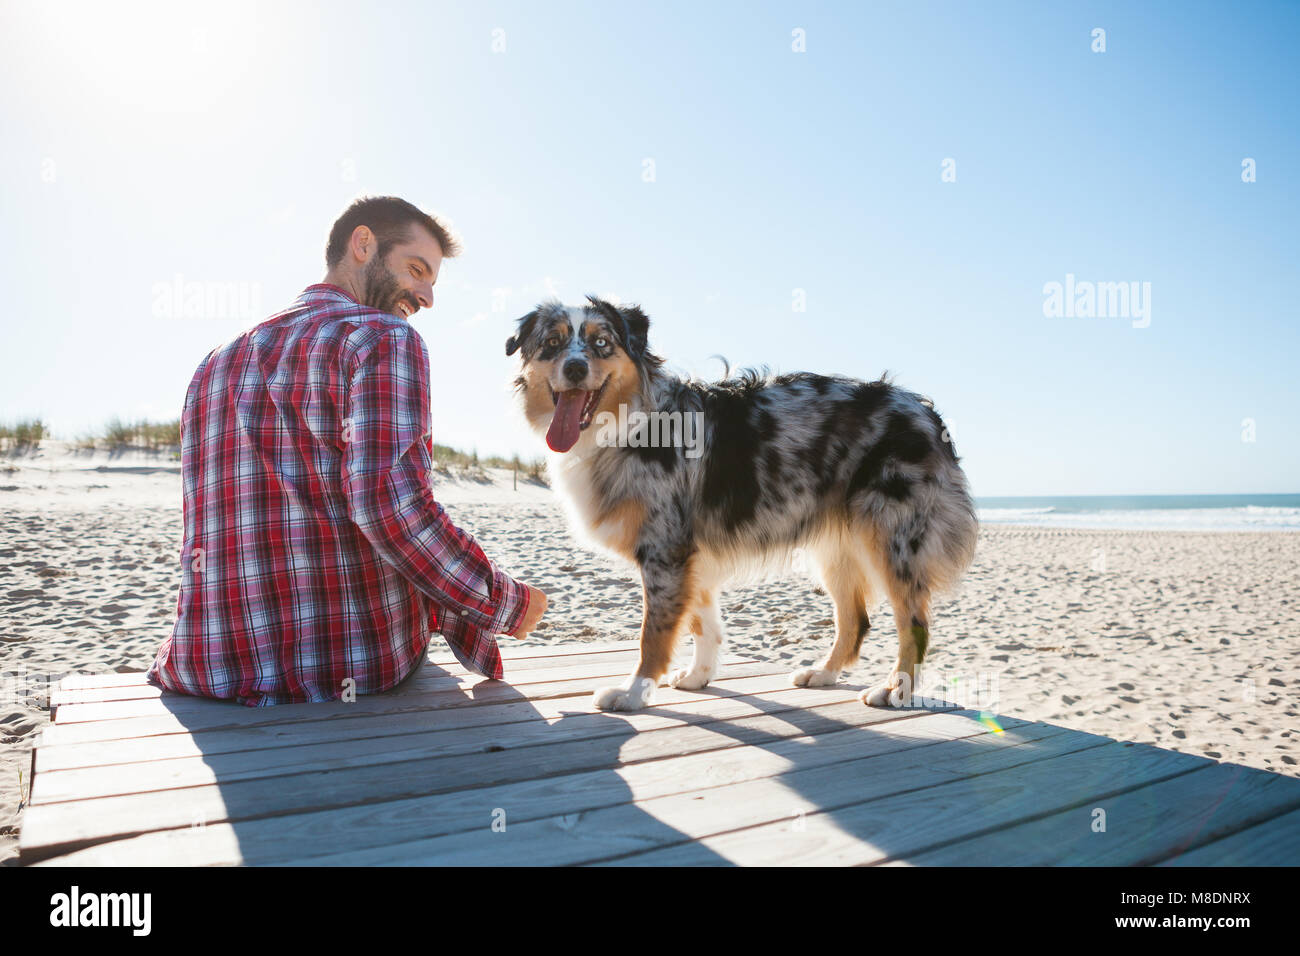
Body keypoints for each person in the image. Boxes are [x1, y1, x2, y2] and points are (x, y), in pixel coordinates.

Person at [146, 195, 547, 706]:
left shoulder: (215, 363)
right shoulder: (382, 338)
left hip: (210, 666)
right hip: (352, 664)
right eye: (416, 269)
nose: (426, 297)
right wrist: (507, 603)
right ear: (362, 244)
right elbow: (390, 509)